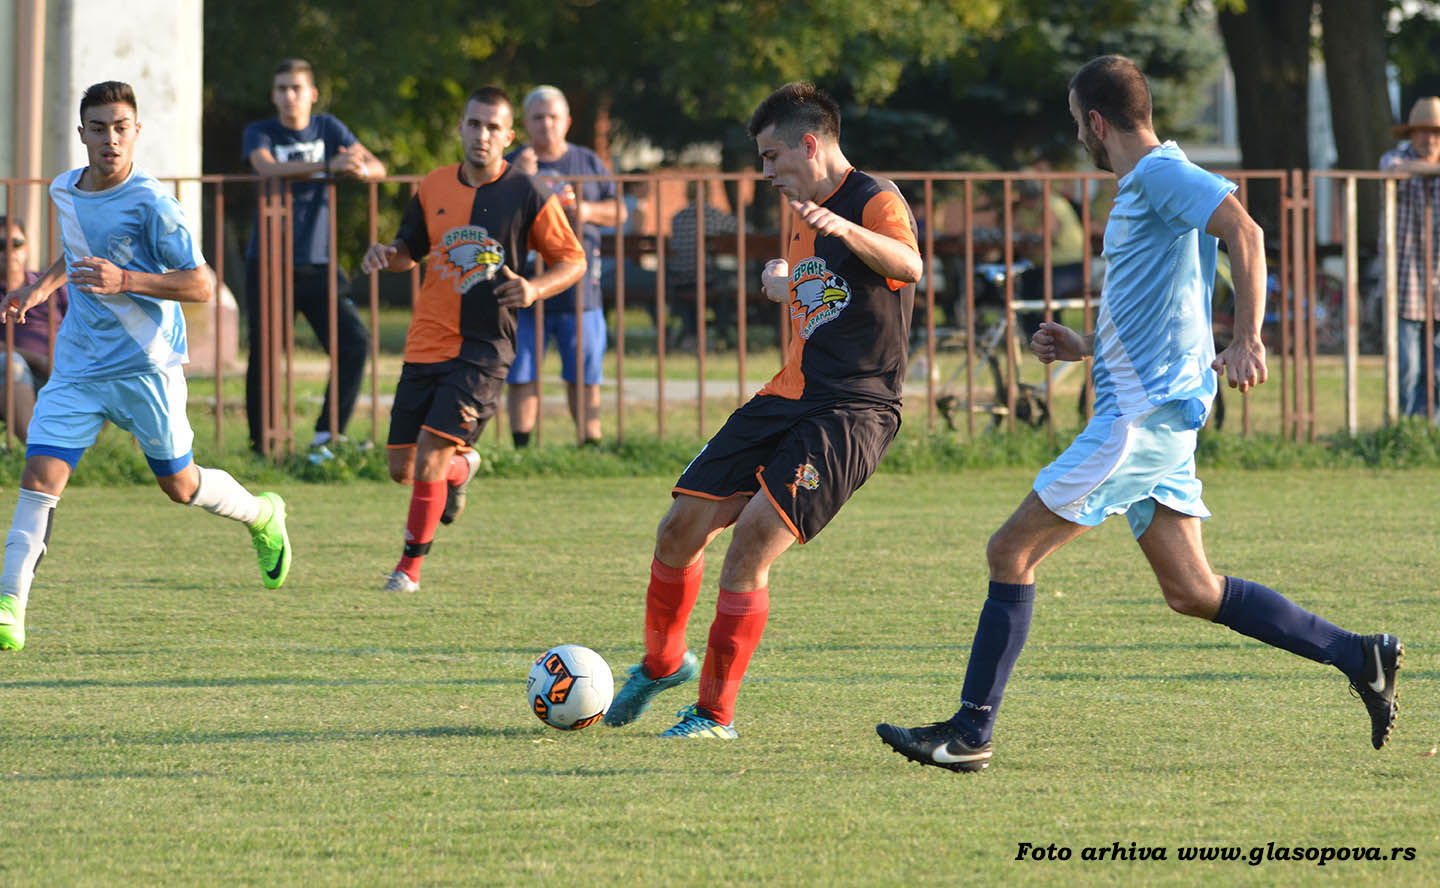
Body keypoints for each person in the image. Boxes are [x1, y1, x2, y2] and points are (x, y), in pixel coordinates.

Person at [876, 56, 1402, 773]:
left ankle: (969, 734)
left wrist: (1247, 339)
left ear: (1095, 121)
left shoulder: (1156, 173)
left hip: (1138, 421)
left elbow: (1244, 234)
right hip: (1154, 412)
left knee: (1009, 552)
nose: (1079, 138)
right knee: (1192, 592)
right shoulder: (1145, 186)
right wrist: (1087, 345)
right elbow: (1169, 303)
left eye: (1075, 124)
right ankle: (1358, 654)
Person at [603, 82, 922, 739]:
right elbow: (831, 296)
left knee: (748, 545)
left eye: (773, 157)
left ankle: (712, 716)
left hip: (852, 410)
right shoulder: (805, 210)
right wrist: (786, 285)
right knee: (678, 529)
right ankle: (663, 664)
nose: (766, 172)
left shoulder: (874, 199)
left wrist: (844, 229)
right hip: (790, 393)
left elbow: (907, 264)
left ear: (811, 143)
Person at [0, 81, 292, 651]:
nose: (110, 139)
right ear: (82, 133)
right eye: (99, 127)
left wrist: (127, 281)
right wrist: (40, 288)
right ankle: (10, 604)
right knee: (39, 479)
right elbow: (78, 249)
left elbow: (203, 284)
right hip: (81, 367)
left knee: (180, 486)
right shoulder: (65, 190)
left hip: (146, 366)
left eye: (120, 127)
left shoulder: (154, 203)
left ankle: (261, 514)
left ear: (136, 132)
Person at [360, 87, 585, 593]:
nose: (481, 135)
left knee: (430, 456)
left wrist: (533, 287)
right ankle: (462, 470)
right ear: (460, 128)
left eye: (492, 127)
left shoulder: (527, 193)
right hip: (426, 342)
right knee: (405, 468)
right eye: (473, 124)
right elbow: (409, 249)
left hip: (484, 348)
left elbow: (573, 261)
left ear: (508, 136)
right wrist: (385, 255)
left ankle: (408, 570)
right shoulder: (434, 185)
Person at [242, 58, 384, 458]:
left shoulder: (329, 127)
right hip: (268, 262)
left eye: (297, 88)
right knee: (265, 356)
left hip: (320, 263)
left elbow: (377, 166)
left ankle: (327, 436)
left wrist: (356, 170)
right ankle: (262, 447)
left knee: (354, 343)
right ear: (274, 95)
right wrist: (327, 165)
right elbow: (266, 168)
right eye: (282, 88)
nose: (289, 96)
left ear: (312, 94)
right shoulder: (260, 131)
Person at [504, 85, 624, 447]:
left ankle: (589, 445)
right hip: (524, 286)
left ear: (567, 122)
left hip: (579, 287)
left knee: (585, 375)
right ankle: (521, 449)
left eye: (553, 117)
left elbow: (619, 211)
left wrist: (584, 212)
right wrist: (519, 179)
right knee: (521, 372)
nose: (546, 125)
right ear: (526, 123)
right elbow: (492, 214)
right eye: (538, 118)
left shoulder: (586, 161)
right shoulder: (511, 162)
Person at [1380, 96, 1440, 418]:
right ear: (1411, 135)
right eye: (1422, 133)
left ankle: (1432, 431)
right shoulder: (1395, 157)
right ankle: (1402, 427)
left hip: (1439, 279)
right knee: (1407, 366)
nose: (1429, 140)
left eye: (1435, 133)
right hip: (1406, 279)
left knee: (1438, 370)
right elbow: (1390, 168)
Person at [0, 216, 67, 442]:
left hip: (63, 369)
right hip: (17, 376)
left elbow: (82, 324)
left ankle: (83, 451)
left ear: (27, 247)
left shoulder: (48, 284)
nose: (9, 251)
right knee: (10, 363)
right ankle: (37, 449)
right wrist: (38, 360)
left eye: (16, 244)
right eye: (0, 245)